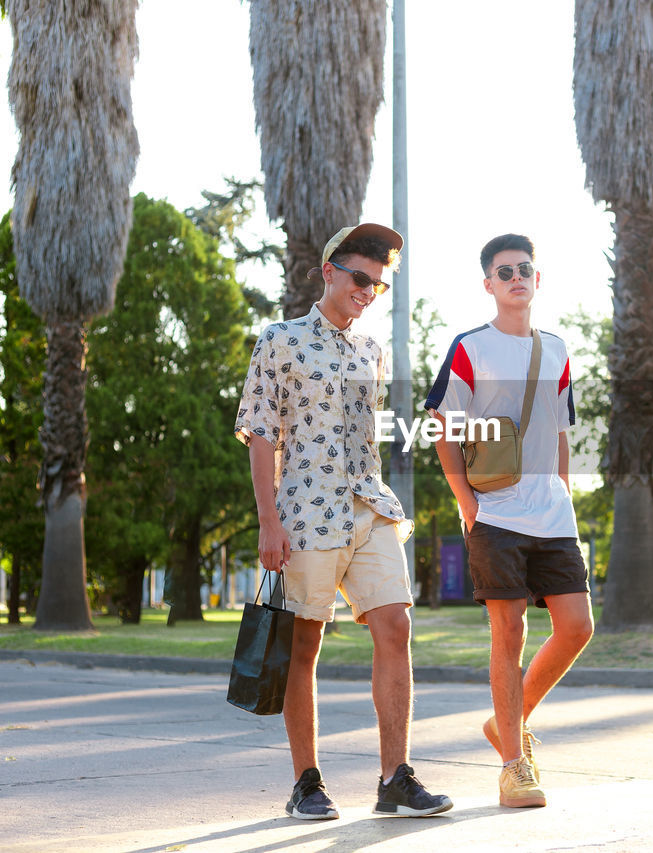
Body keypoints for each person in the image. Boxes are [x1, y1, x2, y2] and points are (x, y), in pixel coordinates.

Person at [235, 223, 452, 820]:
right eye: (361, 278)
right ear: (330, 270)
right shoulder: (279, 340)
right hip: (305, 509)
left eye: (378, 285)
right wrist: (268, 521)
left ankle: (395, 778)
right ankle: (306, 782)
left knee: (396, 627)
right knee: (305, 646)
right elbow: (260, 432)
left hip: (370, 506)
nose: (368, 291)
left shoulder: (371, 352)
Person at [424, 233, 595, 809]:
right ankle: (513, 765)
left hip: (552, 515)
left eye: (525, 268)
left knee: (576, 627)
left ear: (537, 279)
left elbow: (562, 432)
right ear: (489, 285)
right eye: (505, 271)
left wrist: (565, 497)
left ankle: (506, 721)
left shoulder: (559, 349)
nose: (516, 277)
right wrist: (466, 506)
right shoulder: (470, 347)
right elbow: (443, 430)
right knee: (510, 632)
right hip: (495, 512)